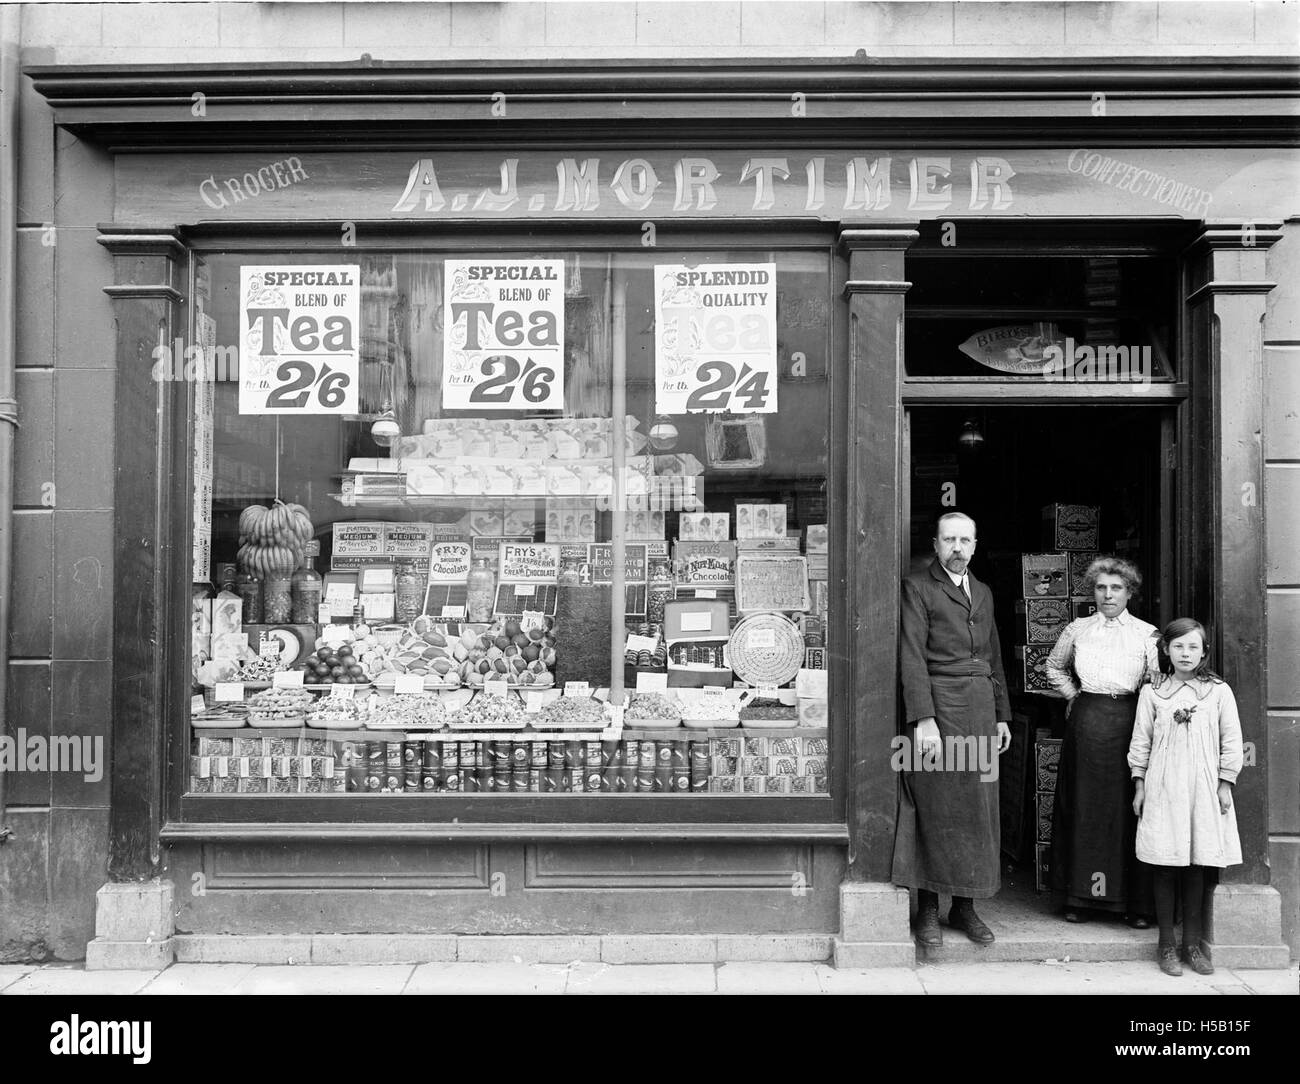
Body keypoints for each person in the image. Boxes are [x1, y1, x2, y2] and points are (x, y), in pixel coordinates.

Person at [893, 511, 1012, 946]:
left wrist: (1002, 715)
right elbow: (911, 656)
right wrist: (923, 719)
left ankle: (965, 907)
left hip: (980, 710)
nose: (957, 548)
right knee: (935, 805)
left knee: (978, 808)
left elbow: (995, 657)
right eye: (949, 540)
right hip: (938, 711)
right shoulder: (918, 587)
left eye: (965, 540)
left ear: (975, 545)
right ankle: (927, 909)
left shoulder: (982, 592)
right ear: (936, 544)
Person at [1043, 557, 1159, 927]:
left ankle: (1133, 904)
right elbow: (1052, 666)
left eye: (1116, 588)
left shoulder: (1147, 634)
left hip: (1129, 723)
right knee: (1082, 806)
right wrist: (1074, 695)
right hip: (1086, 722)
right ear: (1092, 591)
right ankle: (1079, 898)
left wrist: (1142, 714)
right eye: (1101, 587)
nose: (1108, 595)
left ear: (1130, 592)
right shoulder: (1078, 629)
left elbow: (1156, 683)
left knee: (1125, 809)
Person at [1128, 618, 1242, 977]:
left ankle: (1191, 944)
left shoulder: (1218, 691)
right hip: (1163, 786)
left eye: (1193, 646)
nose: (1186, 653)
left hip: (1204, 788)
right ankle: (1166, 945)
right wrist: (1140, 785)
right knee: (1165, 862)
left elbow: (1231, 740)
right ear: (1166, 650)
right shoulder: (1153, 693)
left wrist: (1225, 784)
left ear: (1204, 651)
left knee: (1196, 864)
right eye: (1178, 646)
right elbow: (1141, 741)